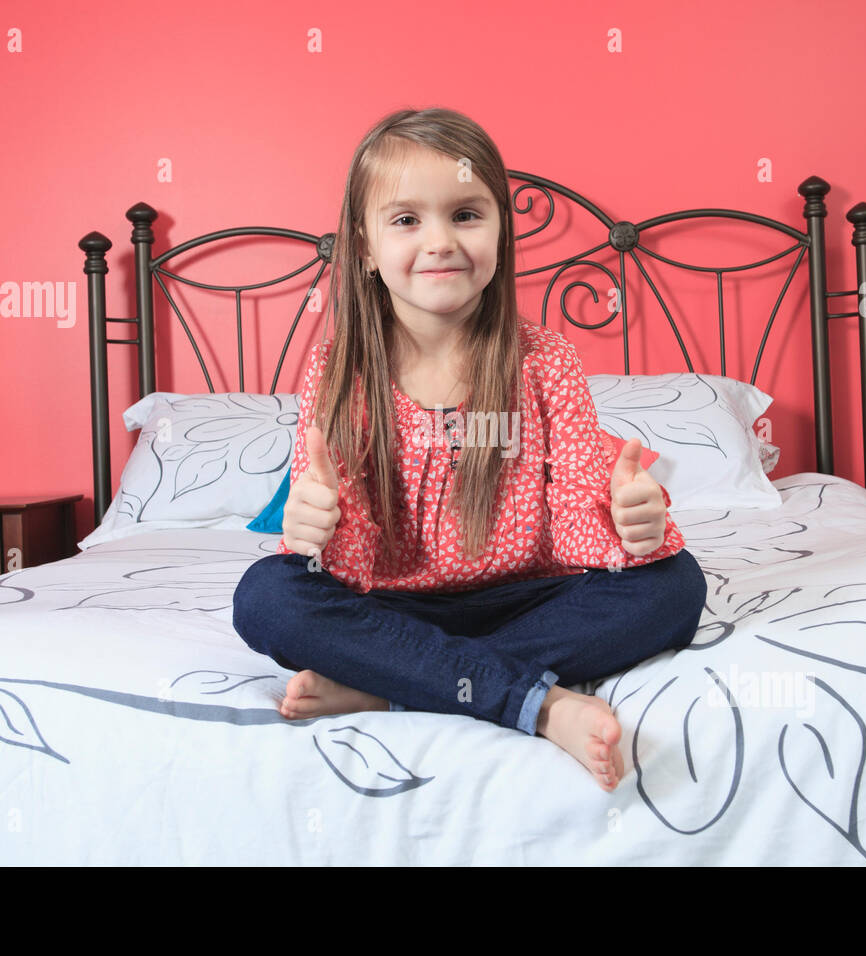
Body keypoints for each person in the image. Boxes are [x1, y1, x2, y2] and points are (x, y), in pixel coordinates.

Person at [233, 107, 707, 792]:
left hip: (530, 601)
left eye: (465, 214)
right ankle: (536, 703)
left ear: (499, 233)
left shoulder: (544, 359)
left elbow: (577, 515)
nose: (439, 241)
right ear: (364, 247)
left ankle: (393, 685)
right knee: (267, 597)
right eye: (405, 220)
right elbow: (348, 550)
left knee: (674, 584)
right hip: (391, 610)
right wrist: (318, 527)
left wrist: (630, 523)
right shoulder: (342, 368)